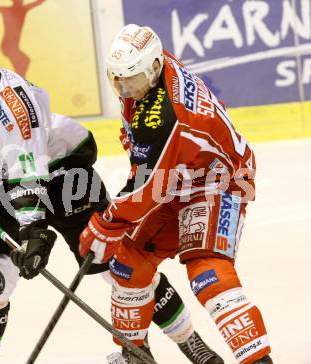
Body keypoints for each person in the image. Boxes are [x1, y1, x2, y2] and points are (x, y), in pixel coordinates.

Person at [0, 21, 223, 364]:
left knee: (120, 268)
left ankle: (191, 343)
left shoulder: (16, 101)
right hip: (2, 185)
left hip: (65, 176)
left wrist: (34, 232)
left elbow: (28, 173)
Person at [80, 24, 273, 364]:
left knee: (207, 271)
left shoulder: (167, 117)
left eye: (131, 79)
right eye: (117, 78)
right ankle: (134, 354)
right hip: (178, 176)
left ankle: (259, 361)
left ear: (154, 68)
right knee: (128, 262)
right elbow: (151, 177)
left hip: (218, 181)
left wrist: (106, 223)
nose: (124, 88)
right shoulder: (154, 68)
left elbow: (149, 189)